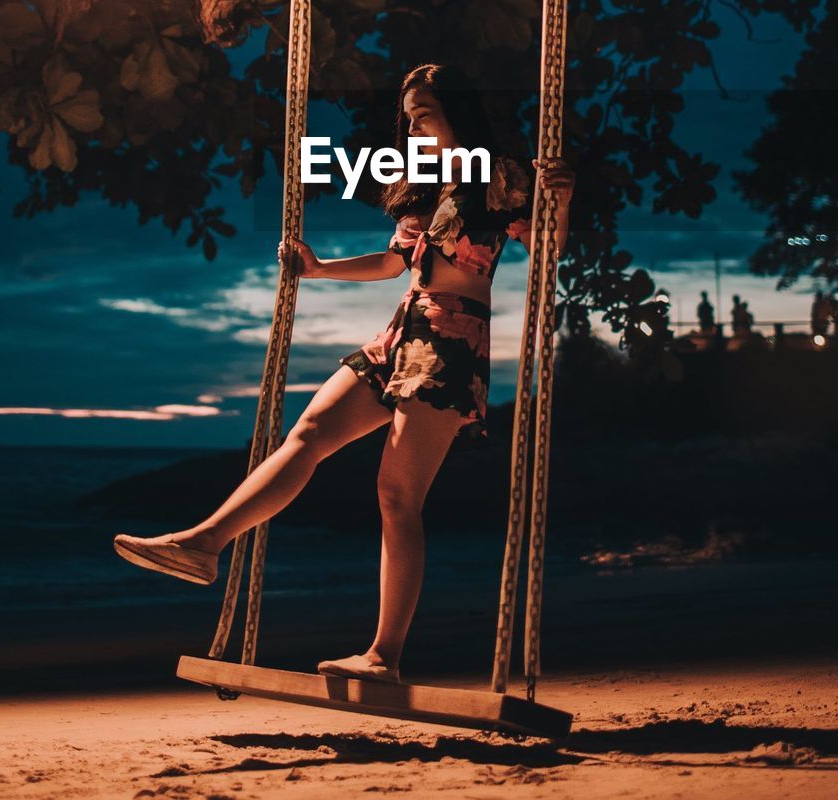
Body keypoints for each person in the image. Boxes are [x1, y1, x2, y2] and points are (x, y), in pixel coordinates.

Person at [113, 63, 575, 685]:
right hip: (398, 333)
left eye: (424, 116)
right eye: (407, 120)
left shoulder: (504, 175)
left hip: (450, 341)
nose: (413, 129)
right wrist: (319, 267)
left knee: (396, 495)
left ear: (457, 112)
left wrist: (562, 203)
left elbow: (546, 254)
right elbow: (392, 262)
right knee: (306, 435)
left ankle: (384, 656)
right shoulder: (424, 186)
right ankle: (203, 544)